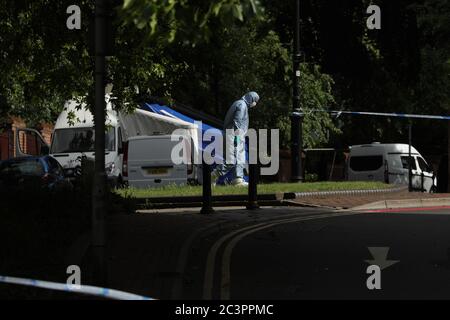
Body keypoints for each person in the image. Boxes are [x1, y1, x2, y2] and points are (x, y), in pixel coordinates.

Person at [211, 91, 260, 186]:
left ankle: (237, 179)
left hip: (231, 134)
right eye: (255, 101)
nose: (255, 104)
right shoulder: (242, 105)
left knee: (239, 158)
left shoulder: (239, 103)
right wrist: (236, 137)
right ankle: (213, 175)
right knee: (232, 160)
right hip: (234, 135)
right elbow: (237, 121)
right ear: (251, 99)